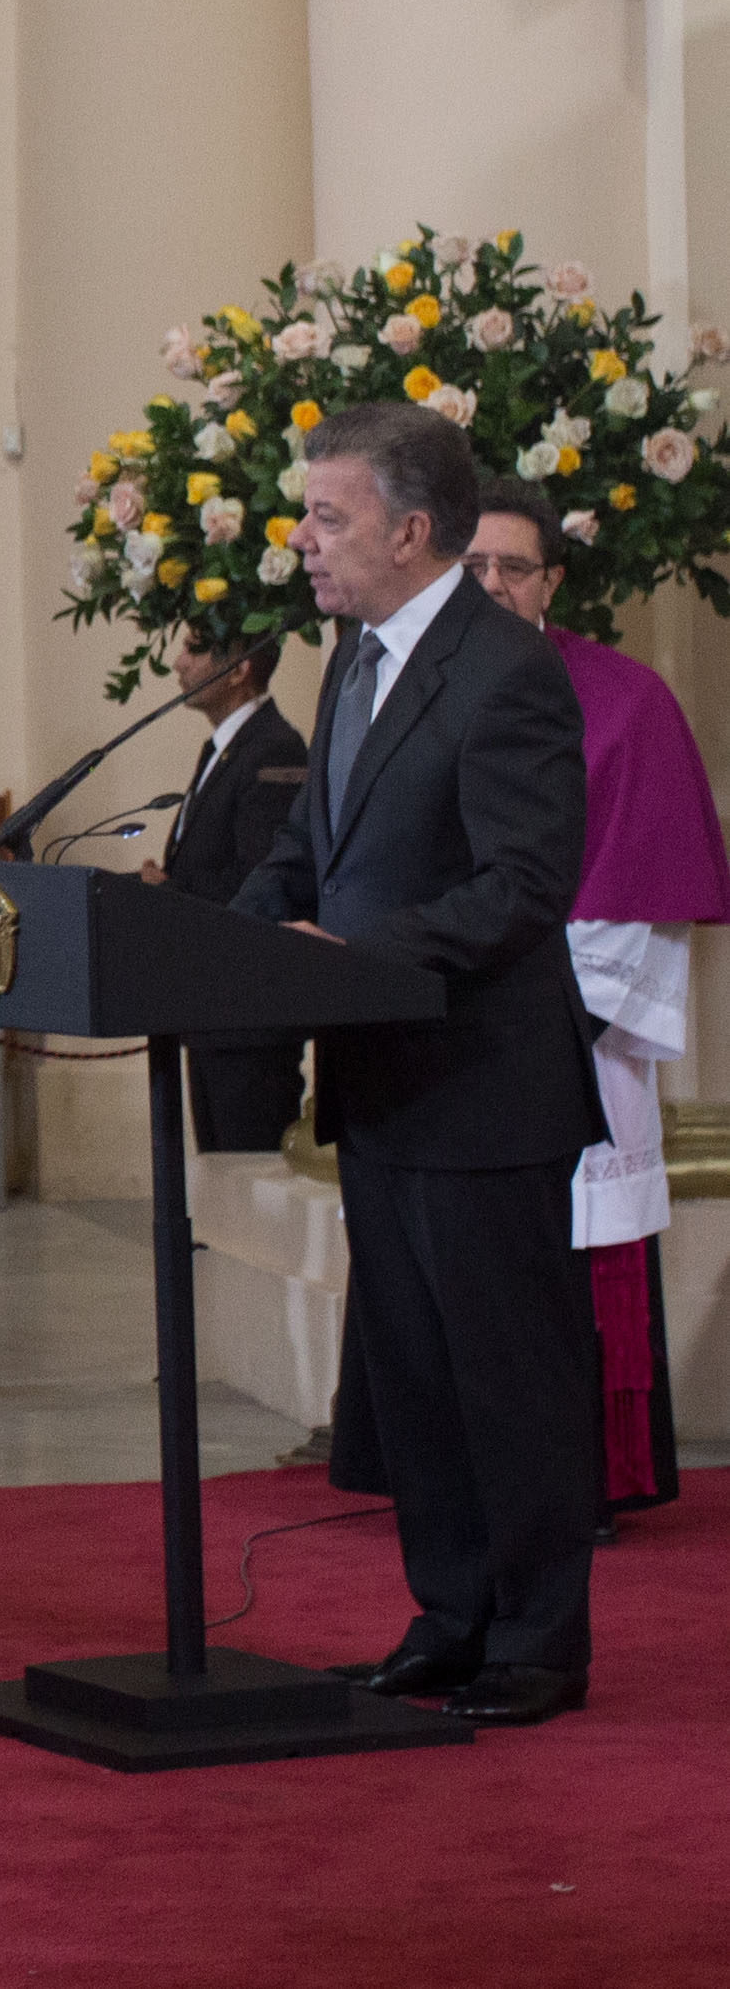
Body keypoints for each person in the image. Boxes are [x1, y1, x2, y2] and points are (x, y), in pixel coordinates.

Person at [232, 403, 596, 1727]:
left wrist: (351, 949)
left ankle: (536, 1639)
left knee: (507, 1375)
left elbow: (520, 883)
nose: (303, 540)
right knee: (416, 1375)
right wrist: (216, 936)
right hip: (382, 1076)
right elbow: (310, 849)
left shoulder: (504, 670)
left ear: (408, 527)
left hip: (482, 1083)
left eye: (324, 516)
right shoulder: (348, 659)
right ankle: (448, 1615)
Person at [463, 476, 724, 1522]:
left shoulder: (623, 702)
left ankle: (581, 1478)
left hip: (567, 1026)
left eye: (512, 567)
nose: (489, 586)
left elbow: (639, 880)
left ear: (552, 582)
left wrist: (526, 1005)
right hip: (443, 1034)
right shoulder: (404, 692)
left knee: (567, 1254)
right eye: (470, 566)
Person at [135, 634, 315, 1151]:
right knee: (218, 1173)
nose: (179, 663)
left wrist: (173, 891)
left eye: (195, 648)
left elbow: (266, 874)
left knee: (249, 1170)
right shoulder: (225, 747)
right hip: (214, 1004)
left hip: (250, 1011)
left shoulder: (274, 746)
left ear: (238, 669)